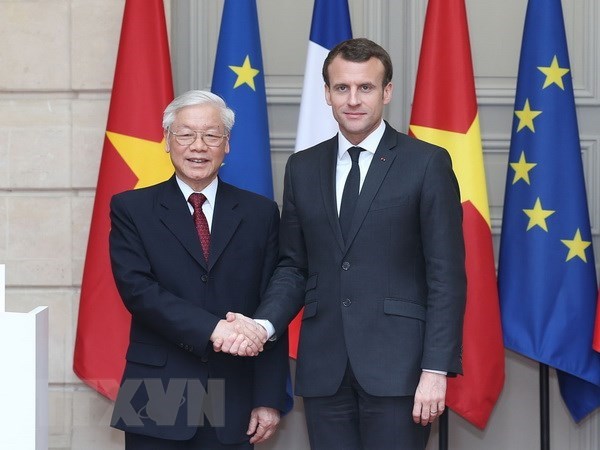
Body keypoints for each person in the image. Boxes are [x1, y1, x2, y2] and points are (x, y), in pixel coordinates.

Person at [219, 38, 467, 449]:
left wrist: (435, 369)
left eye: (365, 88)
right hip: (324, 371)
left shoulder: (426, 163)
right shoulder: (302, 167)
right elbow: (294, 267)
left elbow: (446, 275)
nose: (353, 100)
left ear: (386, 92)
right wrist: (263, 326)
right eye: (342, 88)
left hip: (401, 372)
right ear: (327, 94)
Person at [108, 90, 290, 449]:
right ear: (167, 141)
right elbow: (138, 290)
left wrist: (268, 397)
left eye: (211, 135)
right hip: (160, 386)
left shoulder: (260, 213)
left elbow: (271, 300)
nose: (198, 146)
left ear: (227, 145)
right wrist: (213, 328)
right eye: (186, 134)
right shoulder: (132, 208)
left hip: (235, 388)